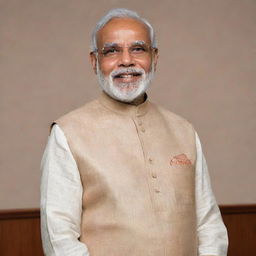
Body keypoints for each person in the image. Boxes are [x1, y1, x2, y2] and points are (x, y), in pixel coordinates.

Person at [40, 8, 228, 256]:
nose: (126, 60)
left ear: (155, 57)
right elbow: (59, 236)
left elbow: (208, 223)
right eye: (112, 51)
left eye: (138, 49)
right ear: (95, 61)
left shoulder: (183, 130)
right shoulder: (68, 133)